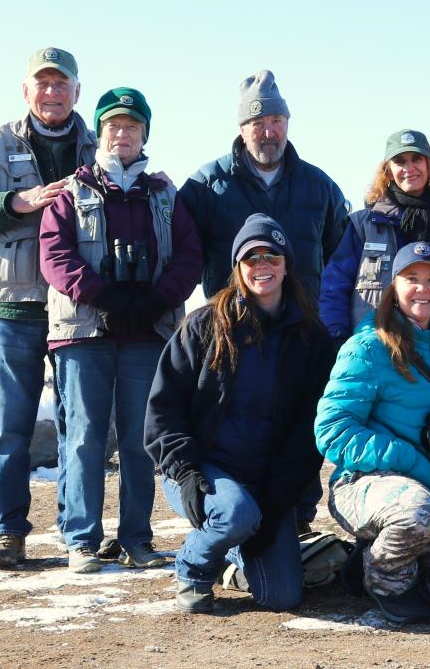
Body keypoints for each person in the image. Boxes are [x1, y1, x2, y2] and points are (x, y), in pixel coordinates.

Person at [0, 47, 98, 569]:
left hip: (79, 309)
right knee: (11, 427)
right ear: (25, 90)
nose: (52, 93)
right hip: (14, 309)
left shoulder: (100, 145)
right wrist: (15, 202)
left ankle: (79, 536)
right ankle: (8, 533)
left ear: (78, 91)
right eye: (43, 83)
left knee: (81, 425)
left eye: (62, 84)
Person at [39, 87, 203, 572]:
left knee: (139, 438)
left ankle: (136, 537)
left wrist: (155, 299)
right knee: (85, 435)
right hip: (84, 331)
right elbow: (55, 255)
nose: (122, 134)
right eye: (113, 125)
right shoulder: (72, 192)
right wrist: (103, 296)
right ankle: (81, 540)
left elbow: (189, 257)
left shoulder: (166, 196)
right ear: (99, 133)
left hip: (147, 332)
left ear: (144, 134)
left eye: (132, 126)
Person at [145, 215, 336, 614]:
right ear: (237, 267)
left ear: (286, 264)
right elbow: (163, 410)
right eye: (251, 258)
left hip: (268, 484)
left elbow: (309, 431)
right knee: (234, 514)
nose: (261, 265)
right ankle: (194, 569)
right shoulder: (203, 326)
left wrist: (279, 497)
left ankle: (231, 552)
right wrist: (187, 474)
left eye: (271, 256)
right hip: (204, 474)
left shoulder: (312, 338)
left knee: (282, 596)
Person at [315, 241, 430, 623]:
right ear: (394, 288)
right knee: (418, 510)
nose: (423, 288)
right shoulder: (367, 348)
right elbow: (332, 430)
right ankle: (386, 579)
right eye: (411, 279)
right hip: (369, 484)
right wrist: (406, 458)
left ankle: (378, 563)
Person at [179, 69, 349, 304]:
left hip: (303, 331)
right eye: (258, 123)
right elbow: (182, 260)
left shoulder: (321, 188)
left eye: (276, 121)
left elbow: (342, 267)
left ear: (287, 123)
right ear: (242, 130)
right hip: (230, 328)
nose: (269, 132)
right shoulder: (206, 186)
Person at [320, 128, 430, 345]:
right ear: (387, 170)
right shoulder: (363, 226)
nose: (409, 168)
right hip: (374, 346)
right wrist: (337, 337)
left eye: (417, 159)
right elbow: (336, 284)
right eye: (400, 161)